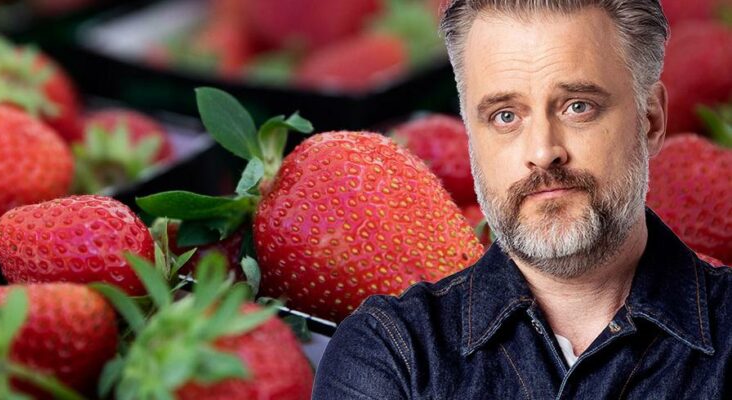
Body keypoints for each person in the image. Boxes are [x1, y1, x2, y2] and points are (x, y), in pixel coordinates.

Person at [312, 0, 731, 398]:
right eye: (505, 116)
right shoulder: (388, 352)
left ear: (651, 121)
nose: (543, 151)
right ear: (472, 138)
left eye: (577, 106)